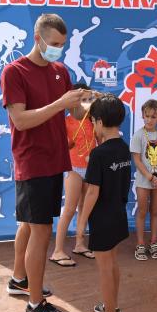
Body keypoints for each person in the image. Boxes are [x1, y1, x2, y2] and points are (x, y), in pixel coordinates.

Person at [0, 14, 86, 312]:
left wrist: (84, 102)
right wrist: (59, 103)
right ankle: (36, 305)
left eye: (62, 45)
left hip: (55, 158)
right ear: (37, 39)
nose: (58, 50)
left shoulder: (61, 71)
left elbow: (72, 110)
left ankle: (20, 280)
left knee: (29, 224)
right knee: (40, 231)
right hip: (32, 160)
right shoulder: (14, 72)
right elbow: (20, 121)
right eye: (54, 44)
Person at [76, 94, 130, 312]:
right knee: (113, 264)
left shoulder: (99, 154)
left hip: (103, 219)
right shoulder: (123, 147)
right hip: (118, 215)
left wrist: (80, 225)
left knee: (105, 269)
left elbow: (91, 193)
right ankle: (113, 309)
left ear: (98, 122)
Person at [49, 83, 97, 267]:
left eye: (88, 100)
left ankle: (79, 244)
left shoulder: (93, 119)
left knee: (84, 208)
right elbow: (60, 145)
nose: (86, 103)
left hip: (90, 169)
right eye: (81, 100)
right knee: (69, 209)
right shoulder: (66, 121)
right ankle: (58, 250)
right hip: (73, 169)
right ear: (72, 102)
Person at [130, 99, 157, 260]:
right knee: (142, 211)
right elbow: (137, 159)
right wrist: (148, 176)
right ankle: (140, 244)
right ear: (142, 115)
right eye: (146, 116)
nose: (149, 119)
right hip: (143, 181)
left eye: (153, 117)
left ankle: (154, 242)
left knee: (155, 212)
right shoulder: (138, 135)